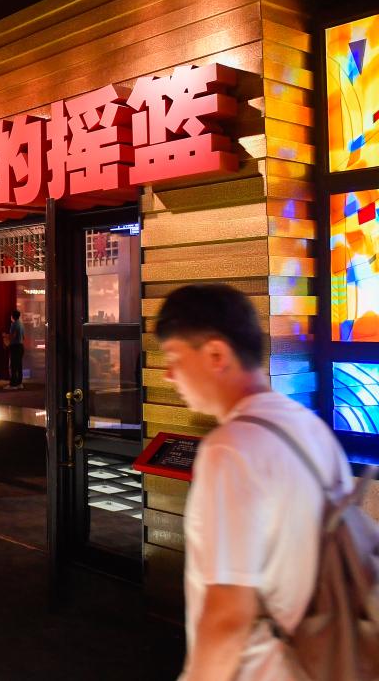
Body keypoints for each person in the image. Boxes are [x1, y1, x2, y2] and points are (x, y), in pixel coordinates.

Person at [155, 284, 353, 681]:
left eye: (175, 357)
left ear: (216, 355)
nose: (168, 374)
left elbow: (228, 614)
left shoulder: (231, 450)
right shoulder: (307, 427)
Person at [7, 309, 25, 390]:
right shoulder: (21, 324)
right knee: (19, 366)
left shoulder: (13, 324)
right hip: (21, 346)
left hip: (15, 346)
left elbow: (12, 336)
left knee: (13, 366)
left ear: (13, 316)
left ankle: (13, 384)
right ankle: (19, 383)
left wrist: (6, 336)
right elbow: (23, 337)